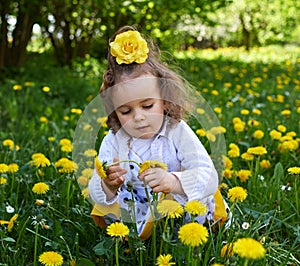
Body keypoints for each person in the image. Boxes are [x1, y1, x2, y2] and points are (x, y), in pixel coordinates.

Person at [88, 25, 228, 239]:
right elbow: (94, 192)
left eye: (147, 106)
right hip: (135, 215)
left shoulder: (176, 131)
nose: (138, 117)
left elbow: (208, 176)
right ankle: (138, 240)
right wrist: (107, 184)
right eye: (125, 111)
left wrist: (174, 181)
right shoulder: (115, 140)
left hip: (180, 215)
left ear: (164, 99)